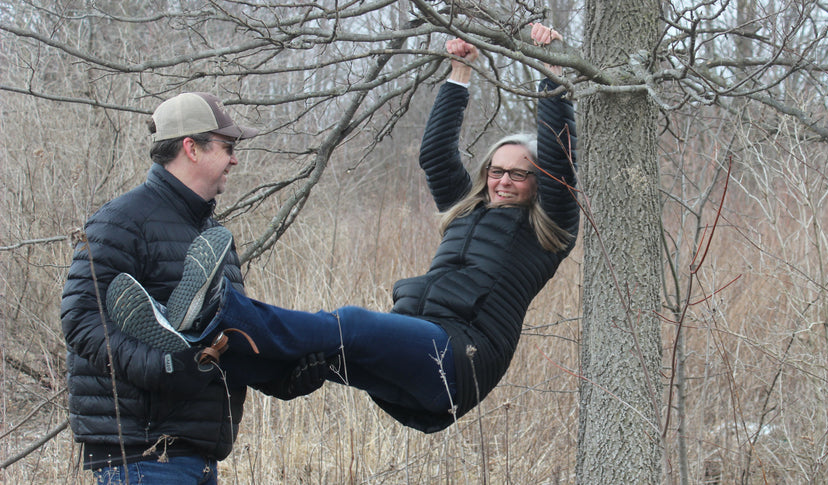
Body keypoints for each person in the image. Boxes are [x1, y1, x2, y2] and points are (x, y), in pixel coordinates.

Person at [107, 23, 577, 433]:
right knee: (312, 355)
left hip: (458, 359)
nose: (502, 181)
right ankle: (204, 344)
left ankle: (216, 310)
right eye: (495, 170)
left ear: (540, 183)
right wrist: (461, 73)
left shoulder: (547, 232)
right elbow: (435, 155)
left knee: (348, 324)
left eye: (518, 173)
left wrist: (550, 73)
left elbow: (559, 161)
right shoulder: (467, 209)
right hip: (417, 351)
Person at [61, 92, 325, 484]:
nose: (235, 159)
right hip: (144, 454)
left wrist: (284, 376)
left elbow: (229, 338)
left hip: (197, 455)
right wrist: (164, 364)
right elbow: (81, 320)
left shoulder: (214, 235)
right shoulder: (120, 222)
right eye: (228, 147)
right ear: (192, 148)